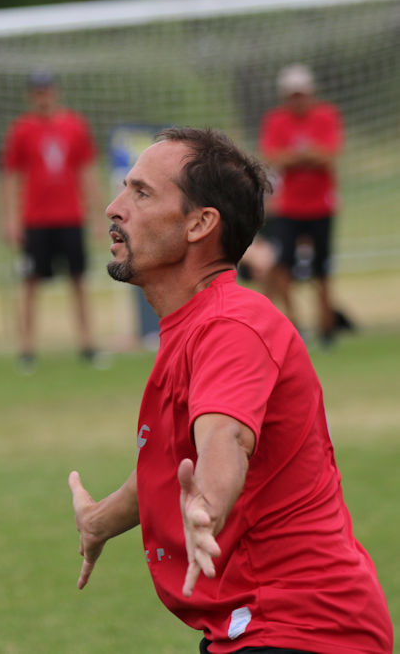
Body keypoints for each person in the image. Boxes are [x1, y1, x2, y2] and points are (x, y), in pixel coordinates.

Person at [68, 127, 392, 653]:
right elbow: (172, 464)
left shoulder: (231, 325)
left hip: (304, 628)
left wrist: (209, 505)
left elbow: (226, 439)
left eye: (141, 193)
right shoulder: (197, 324)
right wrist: (100, 520)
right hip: (259, 625)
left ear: (200, 224)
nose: (114, 207)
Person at [0, 69, 101, 371]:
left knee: (79, 280)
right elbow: (11, 176)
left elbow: (87, 171)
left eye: (46, 90)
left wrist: (98, 215)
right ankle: (27, 349)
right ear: (30, 95)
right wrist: (11, 218)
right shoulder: (21, 129)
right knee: (30, 282)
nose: (42, 97)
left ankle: (88, 344)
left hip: (70, 216)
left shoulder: (75, 125)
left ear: (55, 92)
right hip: (36, 220)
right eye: (37, 92)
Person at [257, 63, 343, 346]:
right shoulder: (275, 120)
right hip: (289, 207)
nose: (298, 101)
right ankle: (294, 323)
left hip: (321, 206)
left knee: (323, 268)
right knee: (283, 266)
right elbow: (273, 157)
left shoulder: (326, 115)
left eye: (302, 94)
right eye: (293, 95)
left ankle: (327, 327)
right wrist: (306, 155)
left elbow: (328, 155)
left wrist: (295, 157)